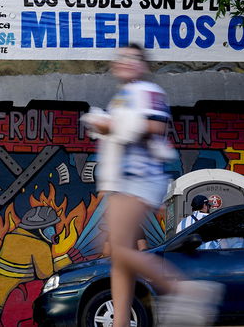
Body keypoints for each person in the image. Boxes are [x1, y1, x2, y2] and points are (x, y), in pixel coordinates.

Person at [82, 44, 223, 327]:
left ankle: (184, 290)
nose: (124, 61)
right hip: (123, 182)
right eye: (120, 56)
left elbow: (154, 126)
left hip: (139, 179)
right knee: (120, 259)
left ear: (143, 65)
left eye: (132, 57)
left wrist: (109, 126)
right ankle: (121, 322)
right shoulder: (122, 97)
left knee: (118, 251)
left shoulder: (148, 91)